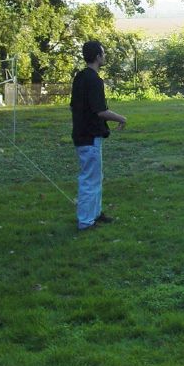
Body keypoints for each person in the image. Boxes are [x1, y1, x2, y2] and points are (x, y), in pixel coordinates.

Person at [70, 40, 127, 231]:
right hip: (89, 136)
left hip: (82, 134)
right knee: (89, 179)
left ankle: (95, 214)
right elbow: (100, 111)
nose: (105, 56)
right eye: (103, 53)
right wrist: (121, 118)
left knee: (95, 177)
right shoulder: (94, 80)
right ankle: (86, 222)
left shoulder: (80, 77)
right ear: (97, 56)